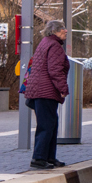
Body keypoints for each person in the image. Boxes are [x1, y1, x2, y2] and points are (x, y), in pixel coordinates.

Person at [24, 19, 71, 170]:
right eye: (62, 28)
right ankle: (38, 158)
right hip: (46, 91)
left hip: (39, 90)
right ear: (55, 31)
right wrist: (63, 89)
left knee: (51, 124)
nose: (66, 31)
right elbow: (55, 71)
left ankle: (49, 157)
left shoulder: (45, 42)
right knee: (46, 125)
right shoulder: (55, 46)